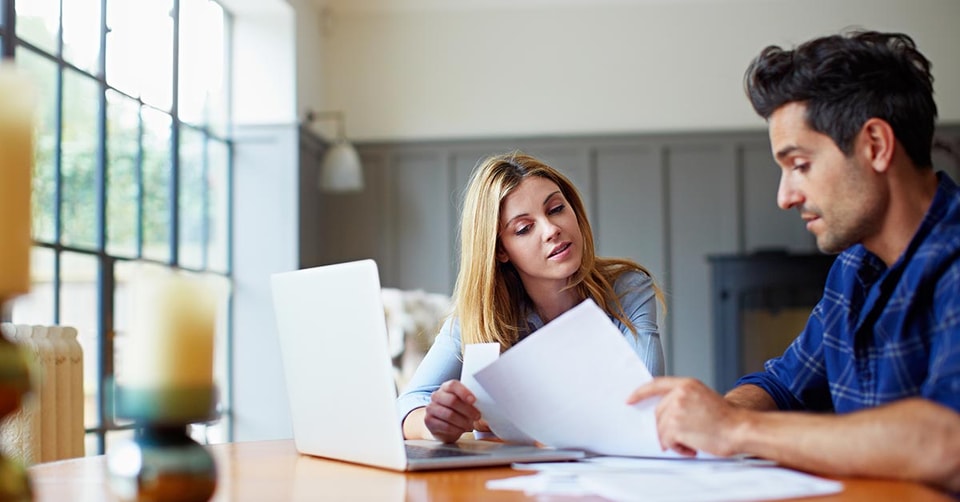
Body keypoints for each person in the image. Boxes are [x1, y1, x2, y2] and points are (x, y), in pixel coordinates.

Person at [626, 30, 960, 492]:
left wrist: (734, 429)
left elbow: (947, 442)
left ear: (876, 146)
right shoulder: (853, 268)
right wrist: (715, 415)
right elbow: (783, 384)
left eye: (800, 164)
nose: (785, 197)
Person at [398, 151, 665, 443]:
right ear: (500, 251)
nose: (552, 230)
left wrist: (513, 417)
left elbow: (644, 400)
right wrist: (435, 423)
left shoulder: (628, 289)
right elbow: (407, 406)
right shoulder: (480, 314)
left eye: (556, 209)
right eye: (524, 228)